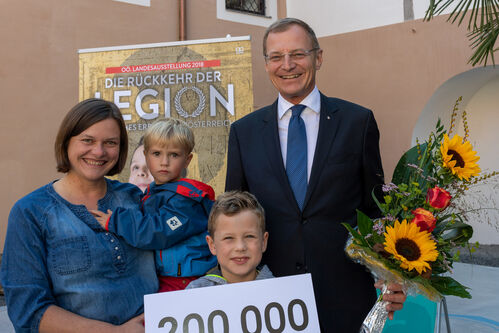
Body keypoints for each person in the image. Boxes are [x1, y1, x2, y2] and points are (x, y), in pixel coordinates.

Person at [225, 18, 406, 332]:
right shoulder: (244, 132)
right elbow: (232, 213)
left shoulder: (357, 122)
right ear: (266, 63)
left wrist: (394, 274)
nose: (287, 65)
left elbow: (376, 211)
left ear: (318, 57)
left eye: (298, 54)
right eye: (276, 57)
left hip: (345, 294)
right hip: (269, 300)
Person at [0, 98, 158, 332]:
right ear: (66, 143)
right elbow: (29, 310)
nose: (99, 151)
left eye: (110, 142)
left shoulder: (135, 199)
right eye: (87, 140)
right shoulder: (31, 212)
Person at [92, 118, 217, 292]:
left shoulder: (187, 200)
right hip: (164, 276)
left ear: (187, 160)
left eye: (174, 155)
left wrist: (116, 221)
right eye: (157, 154)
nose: (164, 162)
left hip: (187, 281)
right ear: (146, 155)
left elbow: (158, 231)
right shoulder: (153, 192)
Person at [186, 190, 273, 289]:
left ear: (263, 242)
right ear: (212, 245)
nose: (240, 247)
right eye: (229, 238)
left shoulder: (282, 292)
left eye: (249, 236)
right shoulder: (194, 293)